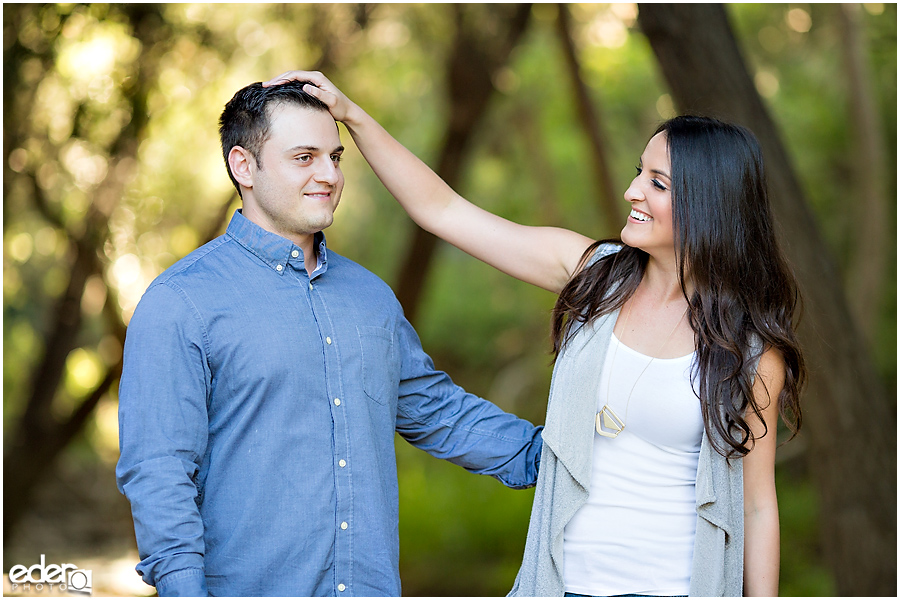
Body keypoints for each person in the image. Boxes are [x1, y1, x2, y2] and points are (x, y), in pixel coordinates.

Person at [264, 70, 806, 597]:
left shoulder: (750, 354)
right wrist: (353, 117)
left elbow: (757, 506)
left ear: (707, 205)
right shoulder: (597, 275)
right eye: (640, 172)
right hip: (560, 586)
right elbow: (443, 210)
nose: (632, 190)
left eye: (657, 183)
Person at [115, 80, 544, 597]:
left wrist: (559, 459)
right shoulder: (181, 303)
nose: (330, 175)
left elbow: (437, 411)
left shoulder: (371, 297)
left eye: (335, 157)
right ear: (243, 166)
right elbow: (159, 474)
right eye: (305, 157)